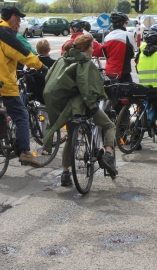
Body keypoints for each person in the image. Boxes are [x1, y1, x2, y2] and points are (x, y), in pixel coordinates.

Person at [0, 6, 47, 169]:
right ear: (12, 17)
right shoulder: (4, 32)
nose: (19, 22)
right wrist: (41, 66)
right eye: (18, 18)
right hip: (3, 83)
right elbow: (22, 53)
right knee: (21, 115)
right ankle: (25, 152)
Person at [43, 34, 117, 187]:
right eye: (92, 47)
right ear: (86, 48)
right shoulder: (85, 62)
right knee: (109, 125)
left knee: (71, 137)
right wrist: (94, 100)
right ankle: (108, 155)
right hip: (79, 105)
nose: (93, 50)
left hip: (63, 106)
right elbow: (86, 86)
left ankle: (65, 173)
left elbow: (48, 78)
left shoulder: (61, 59)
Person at [103, 12, 136, 82]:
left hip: (109, 72)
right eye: (126, 23)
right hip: (123, 73)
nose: (126, 24)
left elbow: (105, 55)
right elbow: (132, 53)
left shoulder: (107, 37)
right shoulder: (128, 35)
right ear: (122, 22)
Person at [29, 39, 56, 104]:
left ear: (37, 51)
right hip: (48, 93)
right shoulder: (54, 63)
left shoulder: (33, 63)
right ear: (49, 50)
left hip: (34, 94)